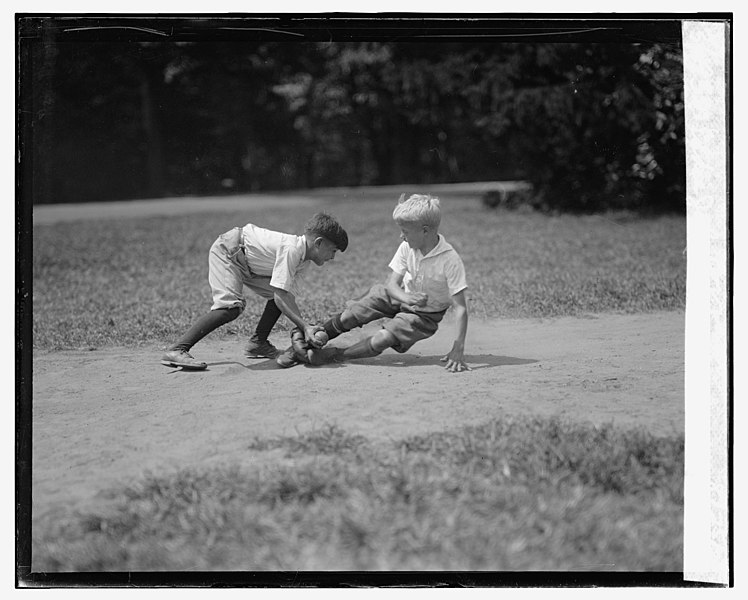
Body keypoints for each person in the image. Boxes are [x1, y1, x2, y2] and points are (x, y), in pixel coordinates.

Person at [276, 193, 471, 373]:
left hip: (425, 315)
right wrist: (406, 297)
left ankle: (334, 355)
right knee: (358, 310)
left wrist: (458, 347)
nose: (401, 236)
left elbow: (461, 307)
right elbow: (392, 285)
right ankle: (308, 341)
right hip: (400, 296)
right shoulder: (407, 247)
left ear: (425, 231)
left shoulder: (449, 260)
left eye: (405, 231)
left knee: (382, 339)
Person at [161, 213, 348, 370]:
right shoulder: (292, 249)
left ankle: (258, 344)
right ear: (319, 243)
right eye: (333, 250)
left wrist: (303, 331)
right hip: (229, 251)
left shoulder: (303, 262)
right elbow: (280, 295)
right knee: (230, 308)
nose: (332, 257)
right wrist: (305, 327)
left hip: (248, 263)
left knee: (280, 299)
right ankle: (177, 349)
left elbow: (286, 297)